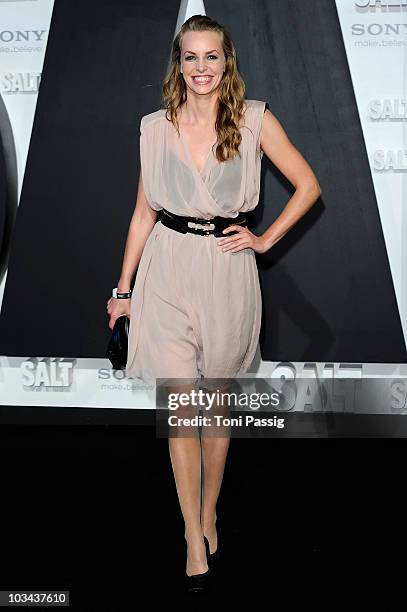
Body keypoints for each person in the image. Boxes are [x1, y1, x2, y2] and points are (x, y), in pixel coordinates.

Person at [107, 15, 321, 593]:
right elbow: (142, 214)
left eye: (212, 57)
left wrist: (264, 239)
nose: (201, 68)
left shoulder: (253, 119)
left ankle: (209, 512)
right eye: (190, 57)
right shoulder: (154, 127)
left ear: (227, 62)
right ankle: (190, 536)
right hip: (167, 269)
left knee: (214, 408)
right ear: (178, 64)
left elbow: (308, 185)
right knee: (183, 410)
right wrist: (122, 291)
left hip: (228, 269)